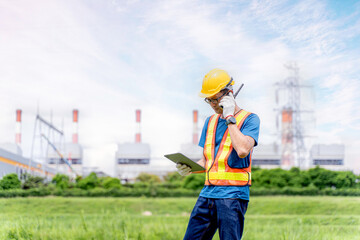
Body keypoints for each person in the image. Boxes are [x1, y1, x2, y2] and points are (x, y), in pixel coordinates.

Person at [177, 69, 260, 240]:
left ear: (229, 94)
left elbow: (243, 150)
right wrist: (190, 167)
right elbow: (208, 160)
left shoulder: (250, 119)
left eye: (216, 99)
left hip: (233, 196)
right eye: (209, 100)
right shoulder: (210, 121)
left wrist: (229, 117)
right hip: (207, 194)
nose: (213, 104)